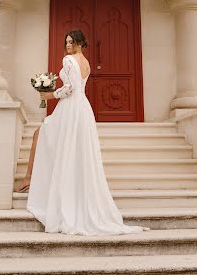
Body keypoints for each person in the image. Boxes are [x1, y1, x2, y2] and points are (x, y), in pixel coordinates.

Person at [16, 29, 148, 235]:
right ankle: (38, 180)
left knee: (42, 134)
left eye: (71, 42)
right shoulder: (85, 62)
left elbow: (69, 88)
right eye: (66, 42)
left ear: (79, 42)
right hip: (83, 108)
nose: (68, 45)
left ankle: (30, 179)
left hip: (70, 107)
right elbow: (78, 87)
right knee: (68, 146)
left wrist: (49, 95)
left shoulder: (69, 60)